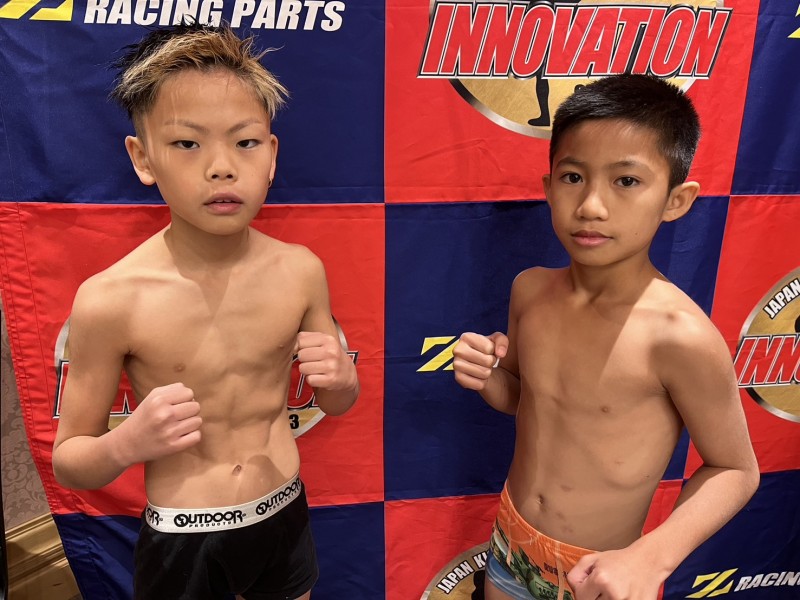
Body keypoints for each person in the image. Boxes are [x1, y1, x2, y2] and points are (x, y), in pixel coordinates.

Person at [52, 23, 359, 600]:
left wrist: (341, 380)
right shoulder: (112, 298)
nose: (221, 167)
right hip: (184, 532)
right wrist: (124, 445)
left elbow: (338, 401)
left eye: (245, 142)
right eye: (187, 144)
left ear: (271, 156)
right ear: (143, 157)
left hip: (284, 508)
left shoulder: (301, 270)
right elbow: (69, 461)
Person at [452, 74, 759, 600]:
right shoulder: (529, 290)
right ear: (548, 187)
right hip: (509, 543)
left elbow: (736, 469)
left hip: (599, 574)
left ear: (676, 200)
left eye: (627, 181)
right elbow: (527, 400)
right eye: (573, 177)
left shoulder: (678, 336)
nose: (591, 205)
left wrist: (651, 557)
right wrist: (488, 378)